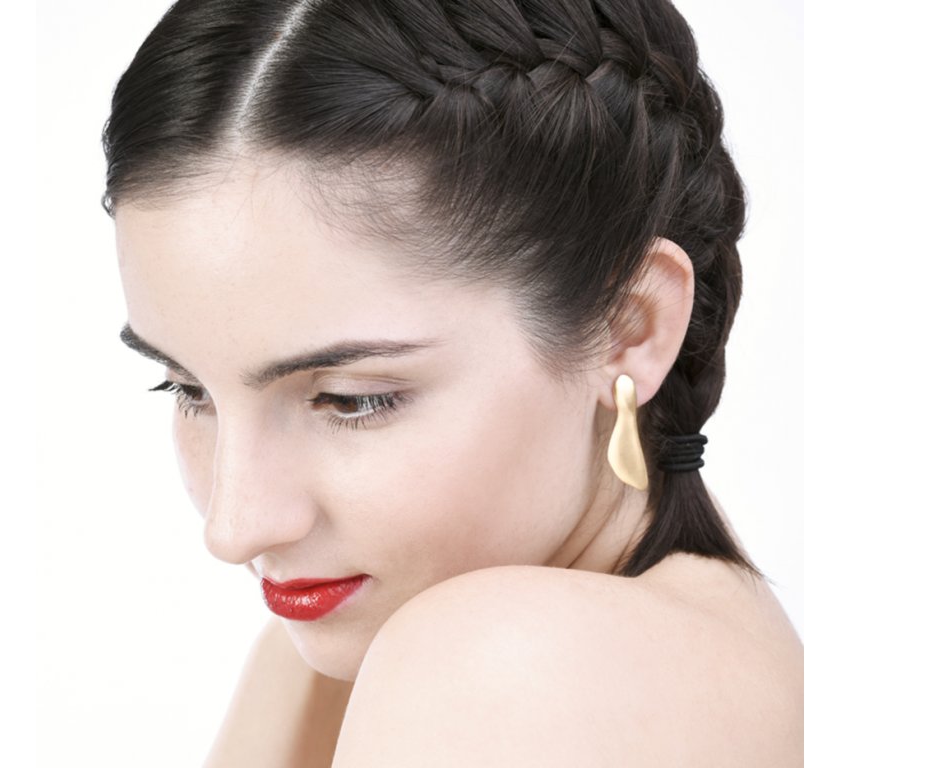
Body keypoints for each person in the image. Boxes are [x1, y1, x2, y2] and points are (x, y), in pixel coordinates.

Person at [104, 0, 803, 764]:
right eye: (187, 390)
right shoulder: (324, 657)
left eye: (352, 399)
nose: (234, 529)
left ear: (629, 328)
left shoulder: (500, 664)